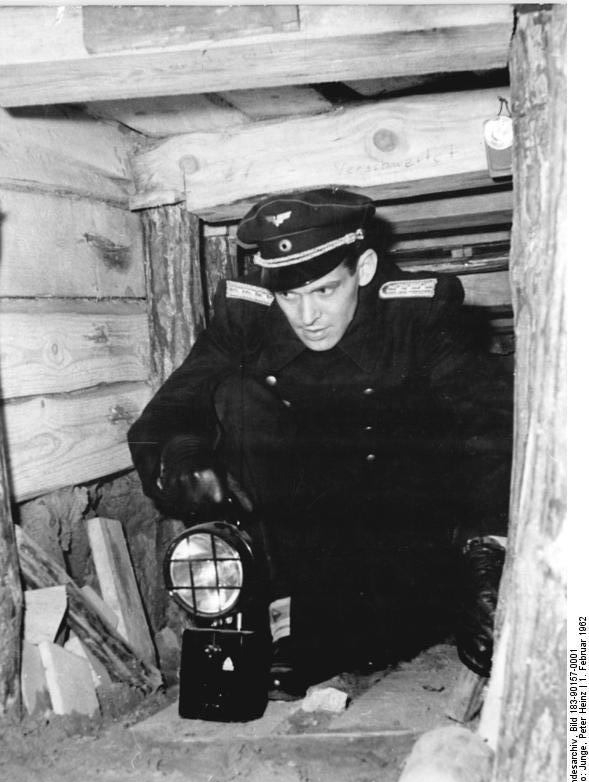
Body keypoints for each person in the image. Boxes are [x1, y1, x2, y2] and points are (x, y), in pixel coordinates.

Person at [128, 187, 511, 699]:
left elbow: (490, 430)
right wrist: (182, 451)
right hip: (297, 528)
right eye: (290, 296)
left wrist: (485, 553)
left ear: (367, 268)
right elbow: (173, 405)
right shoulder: (250, 317)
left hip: (398, 529)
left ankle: (356, 626)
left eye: (326, 291)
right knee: (235, 394)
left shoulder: (419, 316)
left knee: (387, 629)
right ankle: (284, 618)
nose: (307, 315)